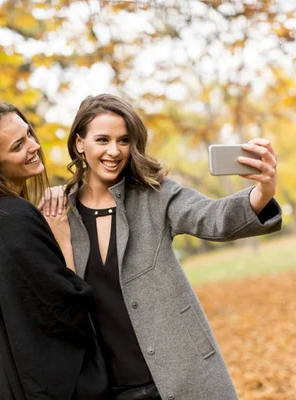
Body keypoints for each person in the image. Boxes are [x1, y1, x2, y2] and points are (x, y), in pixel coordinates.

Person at [41, 94, 282, 400]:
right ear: (79, 143)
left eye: (124, 140)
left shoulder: (155, 195)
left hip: (182, 377)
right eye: (102, 140)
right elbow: (58, 299)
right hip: (106, 389)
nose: (114, 151)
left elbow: (213, 218)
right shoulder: (59, 213)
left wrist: (262, 193)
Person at [0, 101, 108, 400]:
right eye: (18, 145)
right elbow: (64, 309)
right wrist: (61, 239)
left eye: (29, 134)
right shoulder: (13, 218)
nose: (35, 146)